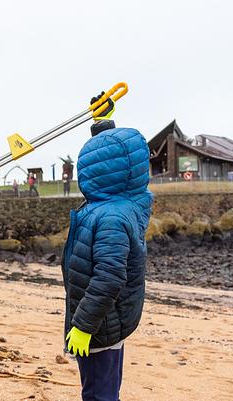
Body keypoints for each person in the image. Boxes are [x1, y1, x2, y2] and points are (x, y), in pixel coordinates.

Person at [62, 96, 153, 401]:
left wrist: (84, 326)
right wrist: (103, 124)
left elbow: (109, 277)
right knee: (100, 388)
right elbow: (115, 160)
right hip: (102, 318)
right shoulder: (113, 201)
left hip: (100, 322)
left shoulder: (112, 217)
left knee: (99, 394)